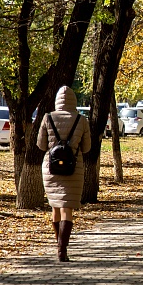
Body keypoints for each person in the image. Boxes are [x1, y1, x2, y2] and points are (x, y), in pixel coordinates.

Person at [37, 86, 91, 262]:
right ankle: (62, 249)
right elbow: (87, 148)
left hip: (51, 169)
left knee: (55, 207)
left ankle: (58, 245)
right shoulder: (81, 120)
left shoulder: (47, 117)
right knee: (67, 208)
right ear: (74, 101)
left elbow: (41, 145)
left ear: (57, 101)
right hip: (73, 168)